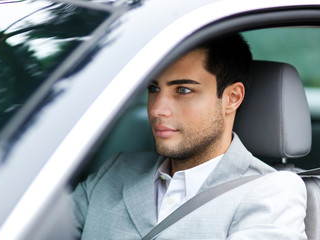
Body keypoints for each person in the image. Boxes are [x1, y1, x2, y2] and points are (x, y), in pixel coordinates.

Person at [71, 34, 307, 239]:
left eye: (183, 90)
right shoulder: (115, 170)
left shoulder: (271, 191)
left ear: (232, 98)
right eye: (154, 89)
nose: (156, 109)